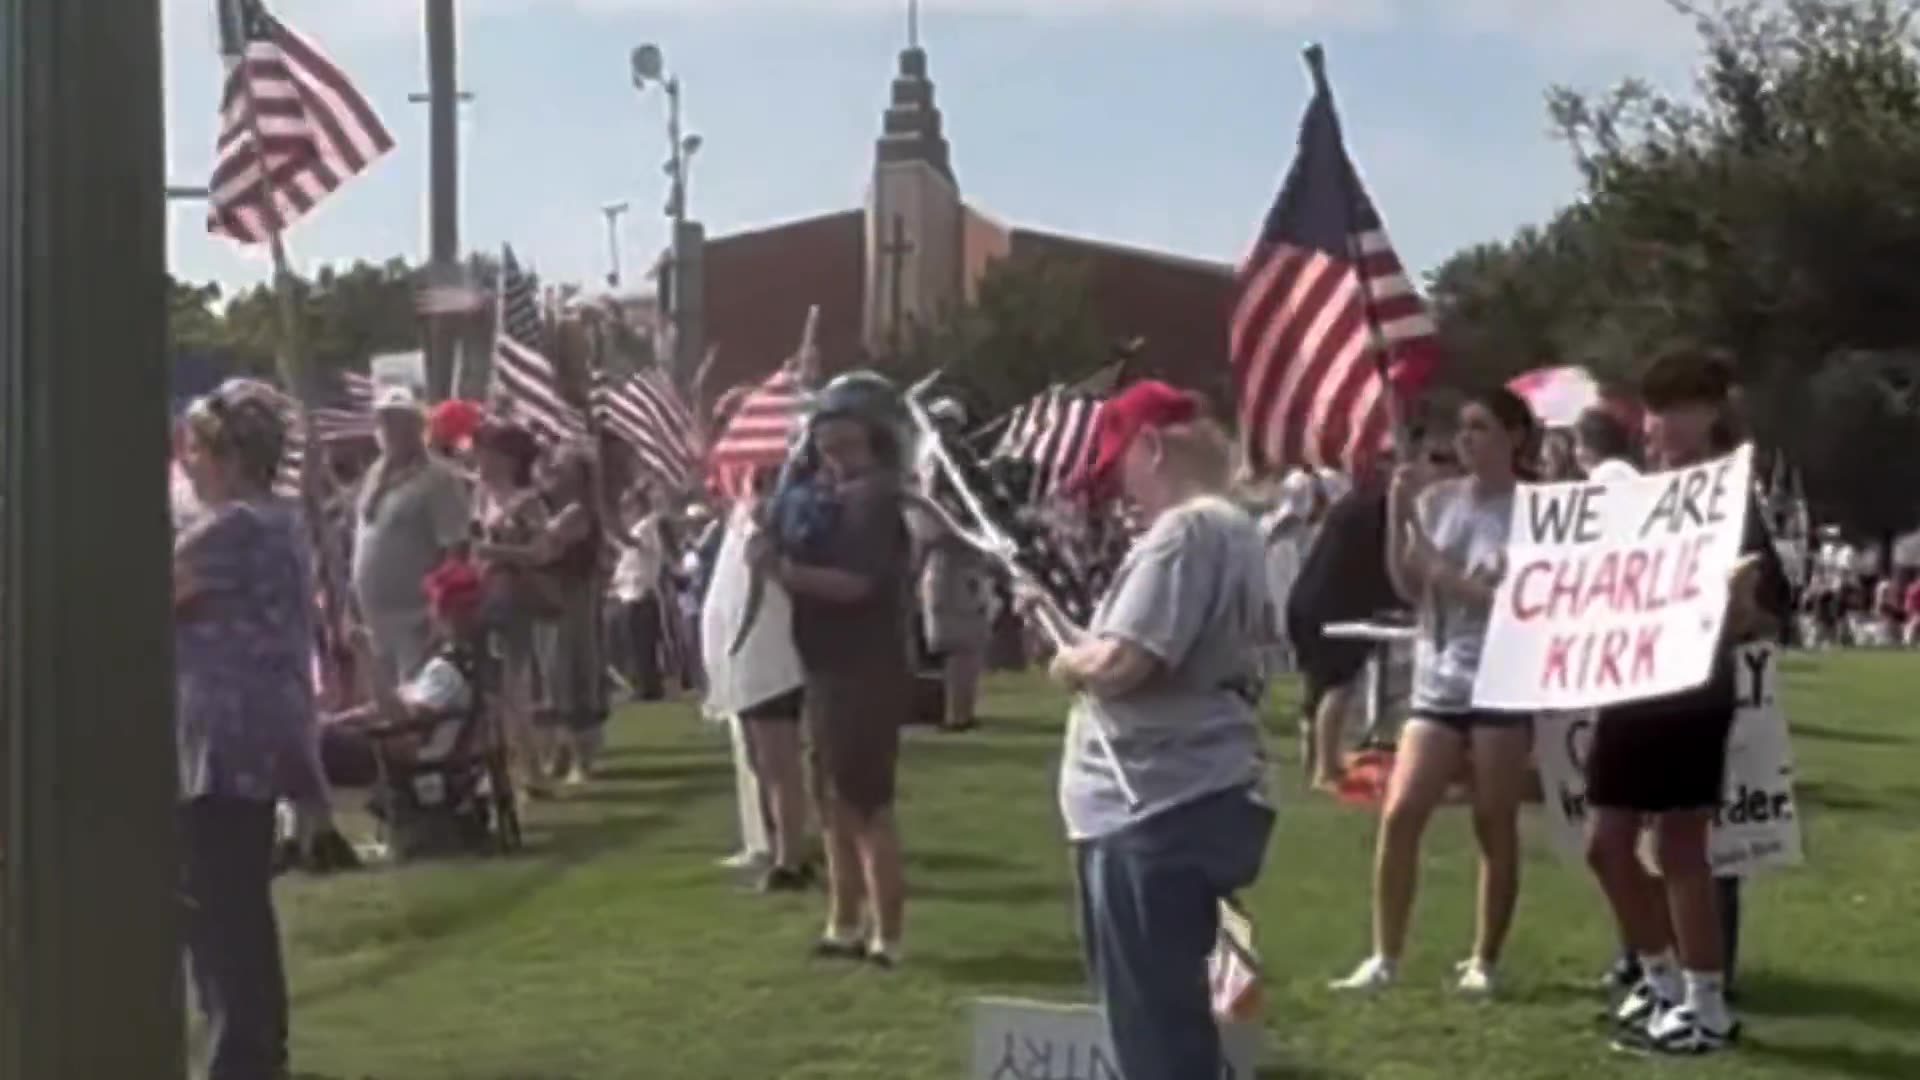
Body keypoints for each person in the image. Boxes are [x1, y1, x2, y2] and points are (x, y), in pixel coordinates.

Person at [1018, 380, 1274, 1080]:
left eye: (1121, 465)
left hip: (1153, 802)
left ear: (1152, 447)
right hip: (1207, 784)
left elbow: (1128, 662)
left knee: (1153, 1025)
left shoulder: (1185, 531)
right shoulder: (1235, 526)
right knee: (1198, 994)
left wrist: (1069, 662)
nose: (1121, 490)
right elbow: (1150, 648)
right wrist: (1061, 625)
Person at [1586, 351, 1789, 1056]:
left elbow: (1767, 613)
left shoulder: (1731, 502)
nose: (1660, 422)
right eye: (1654, 407)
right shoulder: (1636, 499)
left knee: (1679, 847)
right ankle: (1663, 981)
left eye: (1676, 407)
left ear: (1710, 414)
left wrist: (1735, 609)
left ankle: (1706, 1003)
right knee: (1607, 845)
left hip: (1694, 692)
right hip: (1628, 683)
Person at [1332, 388, 1536, 996]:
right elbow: (1409, 585)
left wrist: (1448, 575)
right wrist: (1401, 515)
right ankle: (1385, 955)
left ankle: (1484, 958)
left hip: (1500, 677)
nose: (1466, 441)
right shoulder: (1440, 502)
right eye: (1463, 429)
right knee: (1401, 811)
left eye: (1481, 428)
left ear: (1514, 438)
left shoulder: (1535, 510)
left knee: (1493, 819)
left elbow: (1518, 603)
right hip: (1439, 676)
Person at [174, 380, 329, 1080]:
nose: (187, 468)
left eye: (194, 453)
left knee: (218, 913)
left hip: (220, 738)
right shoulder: (282, 521)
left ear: (225, 455)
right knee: (239, 904)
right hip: (263, 735)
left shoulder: (232, 529)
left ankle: (240, 1061)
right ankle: (261, 1052)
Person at [754, 372, 916, 967]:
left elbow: (858, 584)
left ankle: (886, 933)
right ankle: (843, 920)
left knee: (866, 799)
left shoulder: (875, 498)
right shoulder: (825, 493)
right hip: (823, 663)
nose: (826, 434)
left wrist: (784, 573)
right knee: (831, 798)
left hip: (863, 664)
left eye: (840, 425)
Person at [1286, 425, 1451, 792]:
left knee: (1320, 686)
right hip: (1334, 599)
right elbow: (1393, 560)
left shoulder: (1361, 499)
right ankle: (1325, 770)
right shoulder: (1385, 505)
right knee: (1338, 686)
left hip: (1310, 595)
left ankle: (1314, 763)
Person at [351, 385, 472, 691]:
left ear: (417, 426)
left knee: (417, 705)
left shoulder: (438, 479)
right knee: (383, 710)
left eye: (398, 421)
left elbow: (455, 548)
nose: (389, 430)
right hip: (374, 620)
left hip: (416, 619)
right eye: (384, 422)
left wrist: (442, 610)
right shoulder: (375, 474)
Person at [469, 420, 552, 800]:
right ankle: (513, 766)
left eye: (486, 451)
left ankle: (531, 769)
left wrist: (493, 552)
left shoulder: (526, 502)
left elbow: (542, 551)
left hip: (512, 598)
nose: (478, 459)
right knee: (490, 688)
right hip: (481, 598)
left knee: (510, 685)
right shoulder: (481, 497)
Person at [609, 487, 668, 701]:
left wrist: (616, 531)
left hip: (641, 594)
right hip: (629, 594)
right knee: (636, 646)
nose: (626, 512)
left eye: (629, 506)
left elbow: (635, 543)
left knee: (643, 646)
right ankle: (643, 686)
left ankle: (648, 688)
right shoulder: (638, 529)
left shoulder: (646, 526)